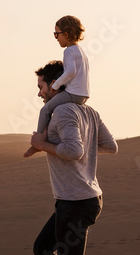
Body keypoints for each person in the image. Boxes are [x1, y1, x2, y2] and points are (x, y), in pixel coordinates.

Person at [28, 59, 117, 255]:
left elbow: (73, 150)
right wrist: (82, 152)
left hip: (74, 202)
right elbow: (110, 147)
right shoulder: (89, 112)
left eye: (41, 86)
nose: (39, 93)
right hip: (86, 199)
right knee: (42, 248)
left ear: (55, 85)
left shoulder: (63, 111)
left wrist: (44, 146)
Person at [23, 15, 90, 158]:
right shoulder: (82, 52)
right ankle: (43, 139)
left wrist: (57, 84)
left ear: (66, 34)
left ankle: (38, 142)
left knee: (45, 110)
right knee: (51, 109)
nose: (56, 38)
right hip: (84, 94)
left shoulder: (69, 51)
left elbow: (71, 71)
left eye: (56, 34)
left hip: (74, 94)